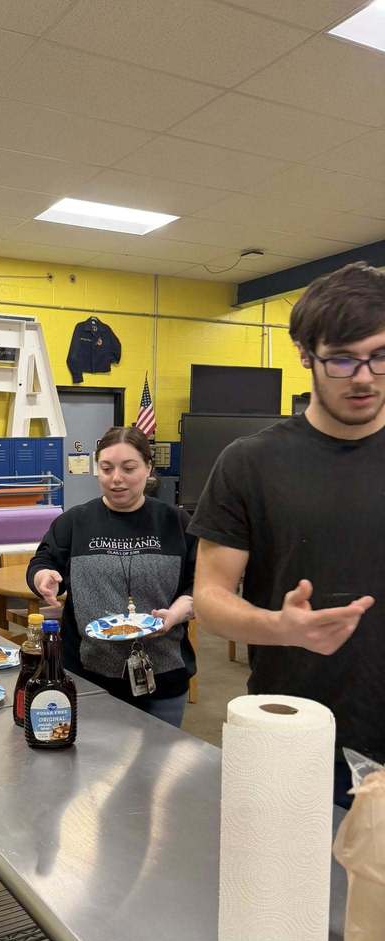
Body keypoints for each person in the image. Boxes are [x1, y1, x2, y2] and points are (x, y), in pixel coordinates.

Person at [189, 261, 385, 809]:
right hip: (296, 730)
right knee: (293, 888)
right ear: (305, 355)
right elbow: (210, 599)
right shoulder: (250, 463)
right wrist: (280, 627)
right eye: (342, 359)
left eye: (380, 355)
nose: (364, 377)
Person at [27, 426, 196, 727]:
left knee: (159, 767)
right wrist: (44, 576)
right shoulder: (75, 522)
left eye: (128, 468)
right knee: (93, 765)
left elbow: (201, 585)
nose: (116, 478)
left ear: (148, 468)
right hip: (88, 675)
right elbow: (43, 561)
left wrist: (178, 612)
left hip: (163, 675)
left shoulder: (176, 523)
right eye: (106, 469)